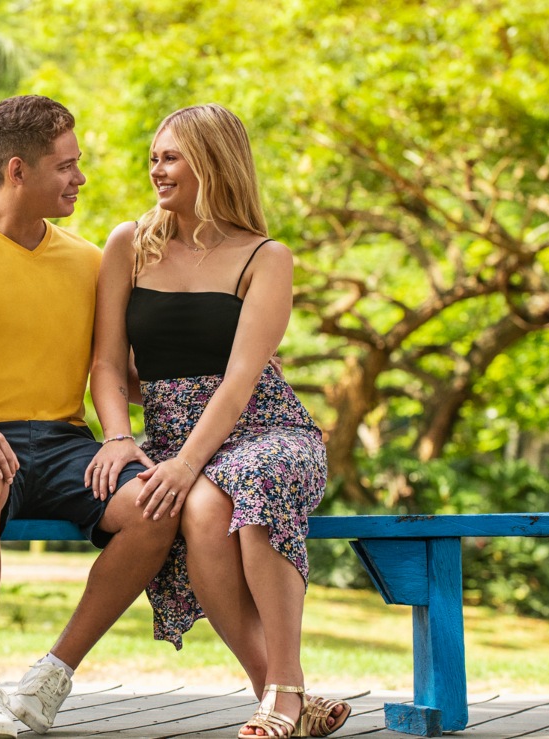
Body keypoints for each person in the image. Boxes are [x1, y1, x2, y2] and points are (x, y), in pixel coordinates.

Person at [0, 95, 177, 739]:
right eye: (66, 166)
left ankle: (50, 677)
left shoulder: (88, 261)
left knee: (156, 504)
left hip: (64, 444)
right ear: (18, 170)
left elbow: (117, 369)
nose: (80, 178)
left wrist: (229, 388)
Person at [85, 104, 351, 739]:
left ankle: (281, 693)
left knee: (245, 484)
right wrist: (120, 437)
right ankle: (285, 699)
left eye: (171, 156)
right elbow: (105, 361)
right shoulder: (129, 243)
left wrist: (184, 463)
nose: (156, 168)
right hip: (174, 434)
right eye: (153, 157)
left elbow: (239, 382)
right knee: (202, 509)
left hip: (265, 427)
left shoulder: (266, 256)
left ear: (213, 163)